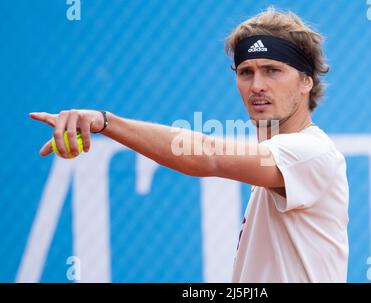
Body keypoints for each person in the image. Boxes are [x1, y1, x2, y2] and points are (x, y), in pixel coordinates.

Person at [30, 7, 349, 283]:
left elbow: (209, 156)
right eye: (245, 72)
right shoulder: (279, 163)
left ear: (307, 80)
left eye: (272, 70)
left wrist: (105, 122)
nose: (257, 85)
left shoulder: (311, 153)